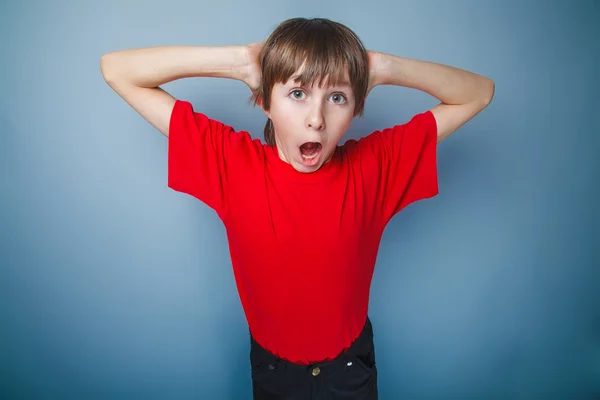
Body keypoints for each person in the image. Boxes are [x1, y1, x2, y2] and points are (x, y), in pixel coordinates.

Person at [100, 17, 494, 400]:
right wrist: (237, 61)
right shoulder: (231, 164)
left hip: (350, 372)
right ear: (264, 101)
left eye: (337, 97)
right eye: (298, 93)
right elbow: (117, 69)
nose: (316, 120)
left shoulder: (377, 166)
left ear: (357, 107)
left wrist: (382, 67)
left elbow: (479, 92)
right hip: (273, 372)